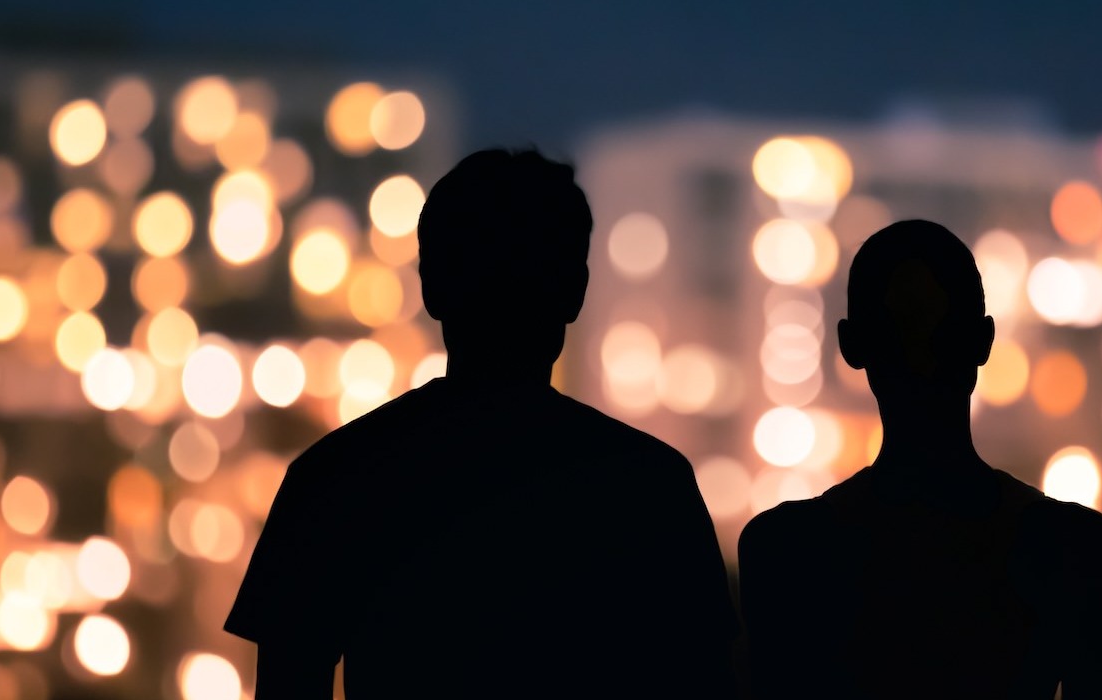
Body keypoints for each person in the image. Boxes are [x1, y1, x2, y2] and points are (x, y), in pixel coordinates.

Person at [225, 148, 739, 699]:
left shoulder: (336, 476)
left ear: (433, 287)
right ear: (574, 289)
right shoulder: (650, 486)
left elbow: (287, 683)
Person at [738, 219, 1102, 700]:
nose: (921, 356)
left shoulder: (786, 551)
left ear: (851, 345)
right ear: (984, 342)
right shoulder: (1071, 548)